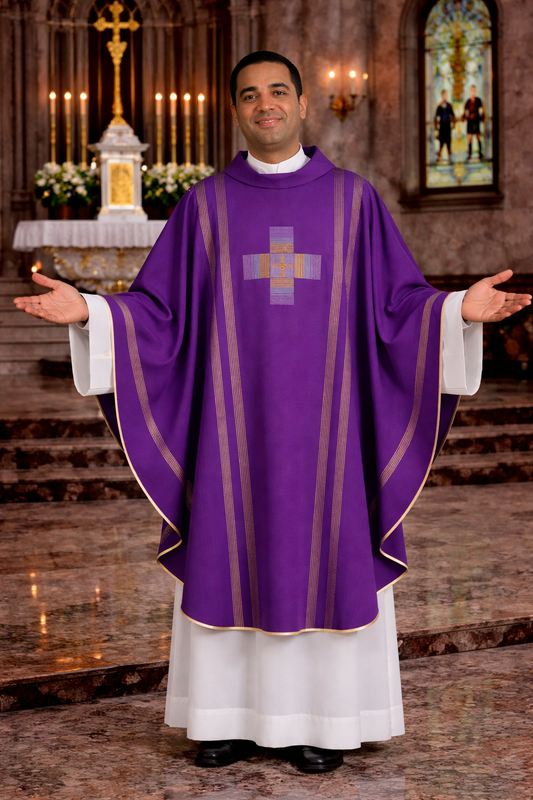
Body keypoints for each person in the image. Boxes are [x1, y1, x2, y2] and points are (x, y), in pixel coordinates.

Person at [14, 51, 531, 774]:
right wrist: (94, 312)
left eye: (277, 91)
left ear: (302, 103)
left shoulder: (353, 202)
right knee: (229, 549)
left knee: (323, 550)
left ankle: (325, 721)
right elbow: (159, 314)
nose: (265, 104)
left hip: (331, 436)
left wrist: (454, 312)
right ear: (236, 110)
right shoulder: (205, 205)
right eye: (250, 95)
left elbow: (397, 307)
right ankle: (222, 719)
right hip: (232, 434)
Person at [463, 85, 485, 160]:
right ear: (470, 91)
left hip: (476, 121)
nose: (472, 92)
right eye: (471, 90)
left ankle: (480, 153)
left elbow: (481, 110)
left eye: (473, 90)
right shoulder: (468, 102)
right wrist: (467, 117)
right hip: (470, 122)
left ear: (475, 91)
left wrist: (481, 116)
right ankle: (470, 154)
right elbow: (466, 112)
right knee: (469, 138)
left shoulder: (478, 100)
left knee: (478, 136)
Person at [434, 89, 455, 163]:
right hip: (442, 127)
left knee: (448, 142)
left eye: (446, 95)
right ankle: (439, 157)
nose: (445, 96)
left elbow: (453, 115)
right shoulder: (439, 106)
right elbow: (436, 117)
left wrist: (453, 124)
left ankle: (449, 157)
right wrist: (436, 128)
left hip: (448, 126)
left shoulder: (449, 106)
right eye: (444, 95)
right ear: (442, 96)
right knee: (441, 142)